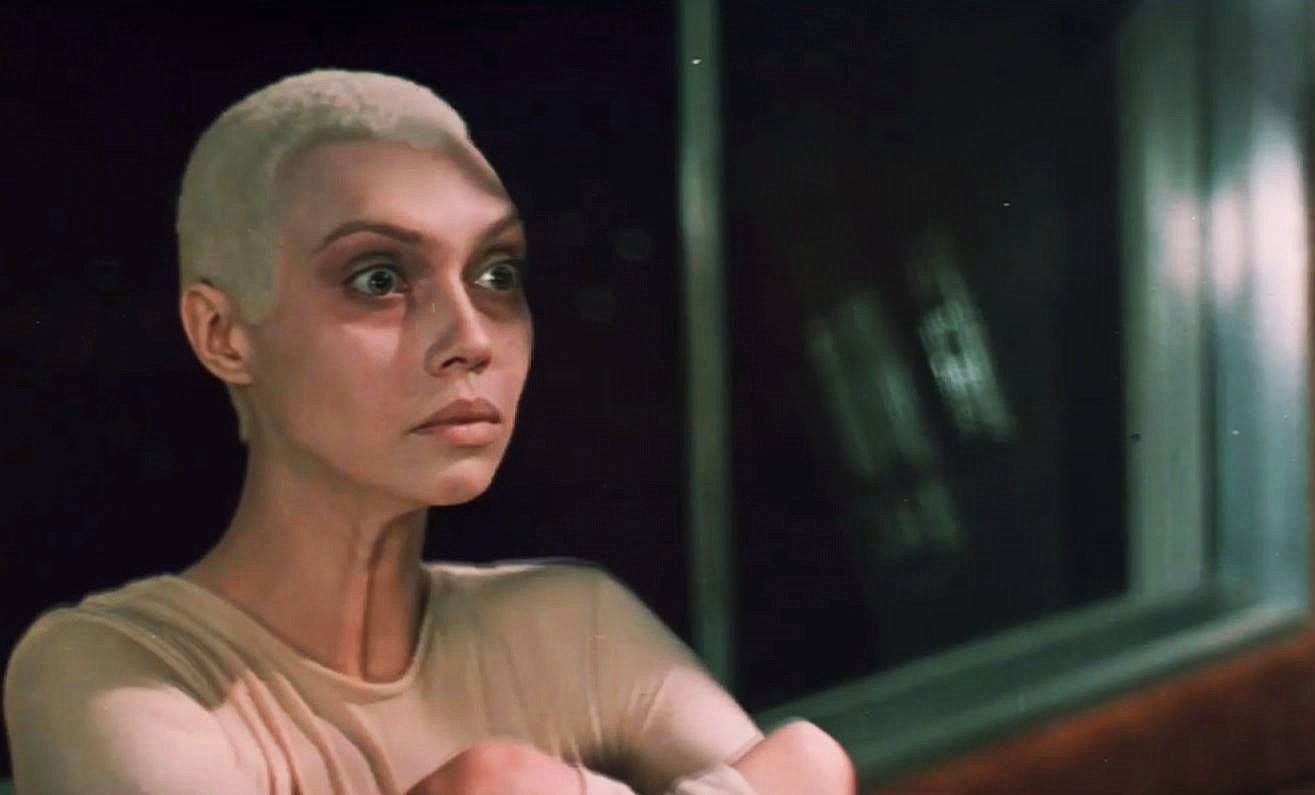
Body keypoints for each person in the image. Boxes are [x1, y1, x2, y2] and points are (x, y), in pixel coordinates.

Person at [2, 69, 854, 795]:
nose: (471, 337)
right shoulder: (107, 670)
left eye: (495, 272)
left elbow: (810, 772)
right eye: (378, 277)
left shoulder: (574, 625)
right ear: (223, 334)